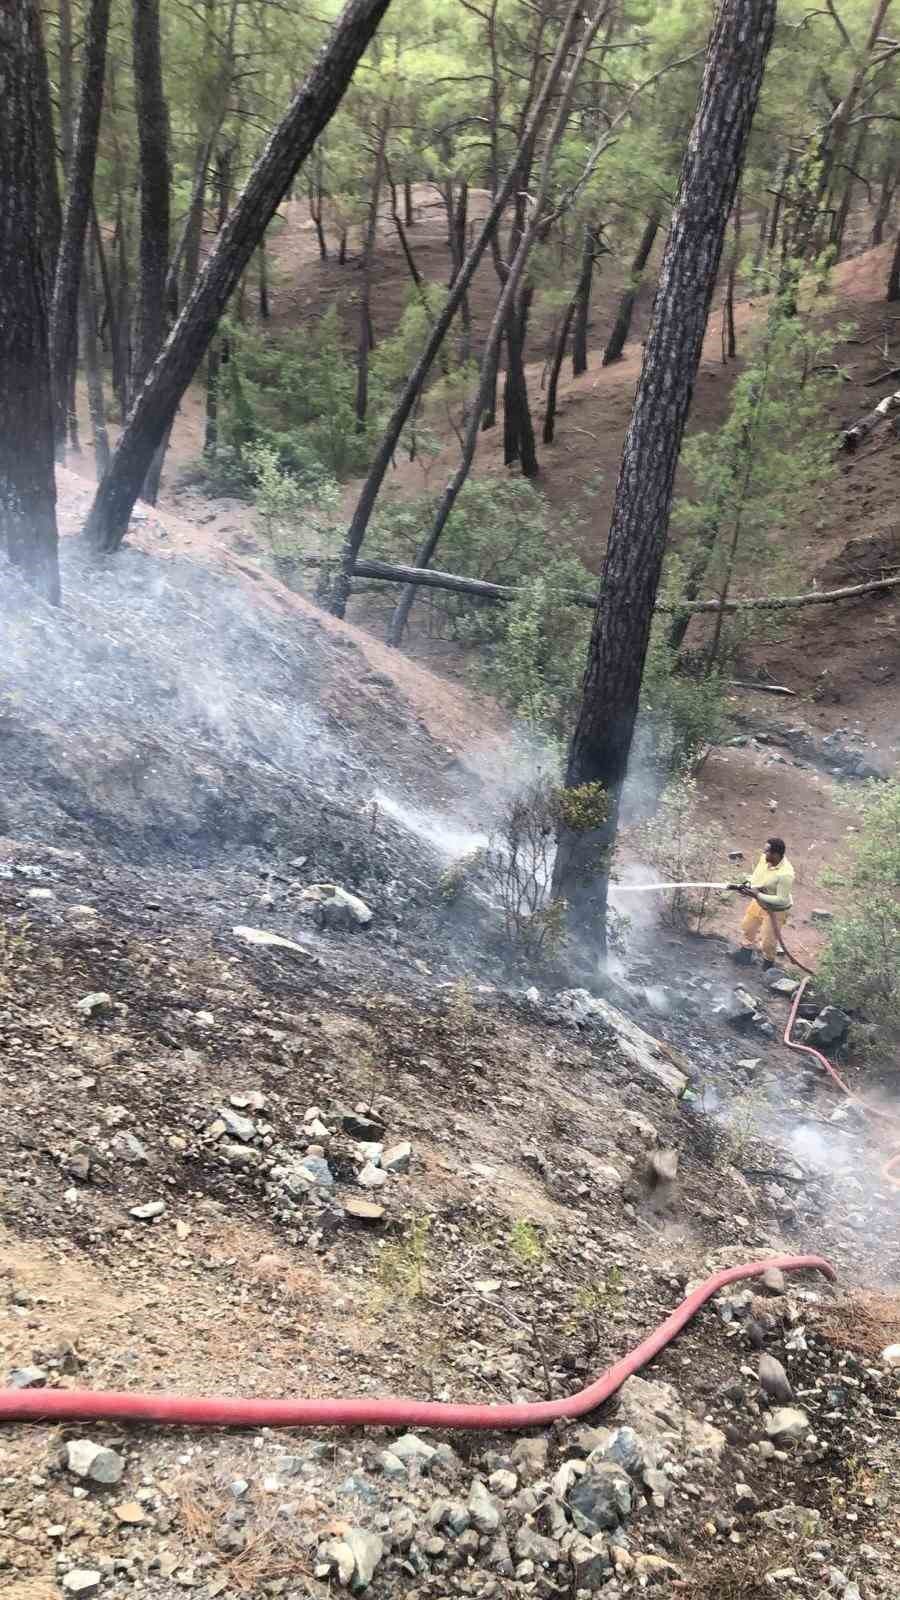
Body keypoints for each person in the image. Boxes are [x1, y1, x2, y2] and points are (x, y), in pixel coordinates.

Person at [733, 836, 795, 967]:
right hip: (759, 900)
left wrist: (758, 894)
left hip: (776, 910)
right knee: (747, 927)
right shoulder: (764, 859)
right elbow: (757, 876)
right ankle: (745, 955)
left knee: (768, 941)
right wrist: (748, 885)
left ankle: (768, 964)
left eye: (767, 851)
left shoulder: (786, 874)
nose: (763, 853)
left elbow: (781, 899)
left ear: (776, 854)